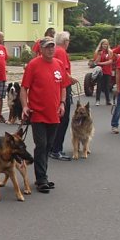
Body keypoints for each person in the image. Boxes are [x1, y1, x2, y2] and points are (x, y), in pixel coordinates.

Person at [19, 37, 65, 194]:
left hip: (54, 113)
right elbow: (24, 88)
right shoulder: (33, 65)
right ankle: (41, 179)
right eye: (47, 47)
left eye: (52, 46)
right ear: (41, 49)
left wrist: (62, 103)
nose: (50, 49)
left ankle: (43, 175)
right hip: (37, 113)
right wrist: (25, 106)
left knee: (48, 146)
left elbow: (63, 86)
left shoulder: (59, 64)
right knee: (41, 145)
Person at [49, 31, 76, 161]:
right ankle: (56, 149)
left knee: (57, 119)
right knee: (63, 120)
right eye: (68, 40)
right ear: (65, 41)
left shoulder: (56, 51)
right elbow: (63, 71)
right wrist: (72, 79)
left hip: (55, 87)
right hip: (62, 87)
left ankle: (52, 147)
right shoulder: (61, 52)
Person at [93, 38, 115, 106]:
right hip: (100, 71)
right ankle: (97, 100)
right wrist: (99, 55)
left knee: (107, 86)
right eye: (103, 44)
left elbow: (110, 61)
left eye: (106, 44)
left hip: (107, 70)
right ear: (101, 45)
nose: (104, 46)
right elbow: (96, 62)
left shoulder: (110, 52)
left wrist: (101, 63)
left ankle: (108, 100)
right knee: (99, 85)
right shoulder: (97, 52)